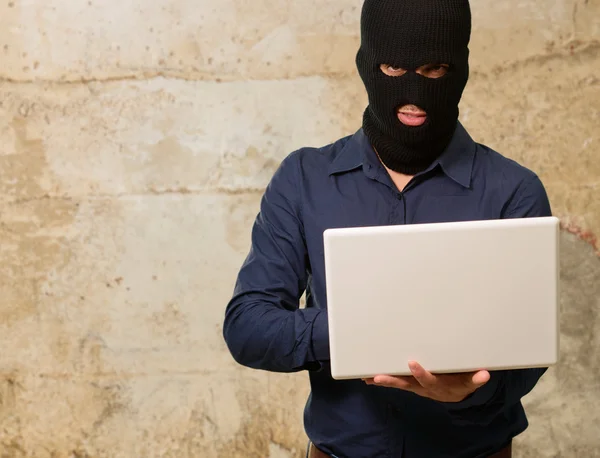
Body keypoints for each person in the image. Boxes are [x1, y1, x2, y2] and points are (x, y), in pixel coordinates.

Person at [223, 0, 552, 456]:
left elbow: (530, 342)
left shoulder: (514, 190)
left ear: (461, 69)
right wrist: (361, 331)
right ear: (366, 65)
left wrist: (470, 393)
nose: (414, 92)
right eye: (394, 67)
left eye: (435, 69)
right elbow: (248, 327)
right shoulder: (304, 178)